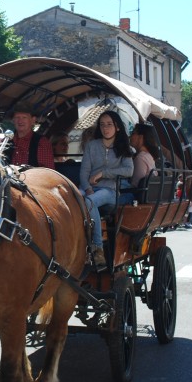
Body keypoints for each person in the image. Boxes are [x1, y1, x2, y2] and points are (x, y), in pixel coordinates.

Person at [79, 110, 133, 271]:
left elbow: (128, 170)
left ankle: (97, 248)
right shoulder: (92, 146)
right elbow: (83, 173)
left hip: (110, 191)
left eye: (109, 124)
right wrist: (88, 189)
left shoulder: (123, 147)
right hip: (89, 189)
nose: (105, 128)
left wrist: (104, 173)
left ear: (117, 127)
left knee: (89, 202)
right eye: (102, 125)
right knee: (72, 201)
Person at [4, 102, 55, 169]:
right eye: (17, 117)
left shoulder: (41, 142)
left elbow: (48, 171)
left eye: (24, 117)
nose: (20, 121)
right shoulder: (6, 140)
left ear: (33, 120)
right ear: (13, 120)